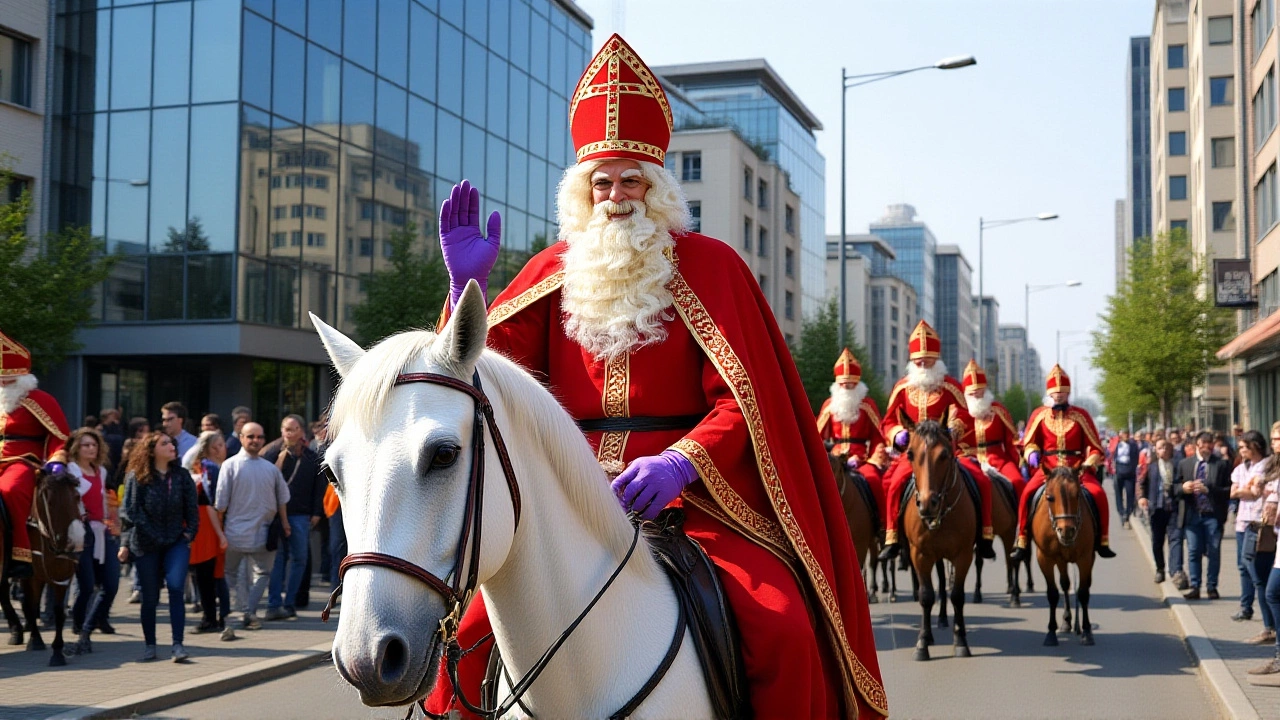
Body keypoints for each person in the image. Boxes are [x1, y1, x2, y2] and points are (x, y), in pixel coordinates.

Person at [424, 34, 885, 720]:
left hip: (690, 503)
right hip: (565, 494)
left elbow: (742, 404)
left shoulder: (712, 267)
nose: (615, 197)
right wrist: (466, 291)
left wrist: (678, 463)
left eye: (630, 179)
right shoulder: (552, 270)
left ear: (657, 185)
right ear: (583, 193)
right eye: (600, 183)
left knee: (782, 626)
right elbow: (477, 374)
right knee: (462, 643)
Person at [877, 326, 993, 563]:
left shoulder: (950, 386)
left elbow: (964, 414)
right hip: (916, 454)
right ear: (912, 360)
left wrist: (953, 429)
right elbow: (888, 420)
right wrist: (898, 434)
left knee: (981, 480)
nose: (923, 364)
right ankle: (892, 538)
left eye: (928, 360)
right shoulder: (901, 388)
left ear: (936, 359)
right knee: (893, 483)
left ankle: (984, 537)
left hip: (946, 452)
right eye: (919, 361)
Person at [1011, 365, 1115, 561]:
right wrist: (1032, 453)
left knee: (1099, 494)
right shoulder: (1039, 415)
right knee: (1026, 494)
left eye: (1062, 392)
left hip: (1076, 469)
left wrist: (1089, 464)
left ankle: (1103, 540)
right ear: (1049, 393)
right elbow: (1030, 442)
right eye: (1055, 392)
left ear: (1068, 393)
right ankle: (1022, 539)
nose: (1058, 395)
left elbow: (1095, 447)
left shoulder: (1081, 415)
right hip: (1048, 469)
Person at [118, 432, 199, 662]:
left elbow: (192, 510)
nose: (171, 446)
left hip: (175, 541)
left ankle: (178, 645)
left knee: (175, 587)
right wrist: (148, 536)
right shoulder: (137, 476)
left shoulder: (182, 476)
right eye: (164, 444)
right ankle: (150, 645)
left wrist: (189, 533)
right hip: (146, 543)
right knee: (150, 596)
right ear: (151, 450)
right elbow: (131, 512)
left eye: (171, 443)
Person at [0, 330, 71, 580]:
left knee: (10, 491)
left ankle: (19, 554)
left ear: (22, 377)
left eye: (6, 380)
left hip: (22, 460)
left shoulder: (41, 400)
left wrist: (56, 459)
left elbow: (59, 436)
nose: (1, 385)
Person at [215, 422, 289, 631]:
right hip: (242, 535)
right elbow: (220, 505)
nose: (255, 440)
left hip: (249, 534)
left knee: (235, 574)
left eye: (259, 437)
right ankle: (245, 612)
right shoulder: (234, 466)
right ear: (241, 438)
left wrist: (284, 523)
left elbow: (220, 504)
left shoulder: (235, 466)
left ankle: (235, 613)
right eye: (251, 437)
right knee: (257, 574)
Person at [262, 414, 324, 621]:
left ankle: (290, 602)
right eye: (285, 428)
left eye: (293, 428)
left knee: (300, 559)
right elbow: (268, 481)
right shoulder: (271, 453)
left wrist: (317, 512)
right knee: (278, 559)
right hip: (277, 516)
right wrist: (281, 458)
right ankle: (274, 604)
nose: (289, 433)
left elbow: (319, 487)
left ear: (301, 432)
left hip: (301, 515)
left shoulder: (310, 457)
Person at [66, 427, 121, 653]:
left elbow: (103, 501)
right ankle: (80, 625)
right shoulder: (69, 470)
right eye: (85, 445)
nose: (90, 448)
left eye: (94, 445)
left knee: (110, 584)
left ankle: (90, 624)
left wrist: (111, 521)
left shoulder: (101, 471)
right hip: (81, 532)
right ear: (76, 448)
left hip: (102, 531)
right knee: (87, 585)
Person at [815, 348, 886, 512]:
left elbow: (878, 436)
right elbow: (816, 437)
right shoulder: (829, 406)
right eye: (843, 384)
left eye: (851, 384)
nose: (847, 387)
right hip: (834, 459)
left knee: (874, 480)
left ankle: (881, 525)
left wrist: (873, 458)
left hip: (862, 457)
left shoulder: (868, 405)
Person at [1173, 431, 1232, 600]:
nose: (1206, 447)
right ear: (1196, 445)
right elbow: (1174, 488)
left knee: (1213, 551)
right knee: (1193, 551)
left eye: (1210, 444)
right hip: (1192, 515)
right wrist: (1183, 488)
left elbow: (1229, 491)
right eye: (1203, 444)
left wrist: (1210, 490)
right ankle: (1195, 586)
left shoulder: (1221, 464)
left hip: (1212, 515)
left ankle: (1212, 586)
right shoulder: (1185, 463)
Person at [187, 430, 234, 641]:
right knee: (208, 575)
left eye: (221, 445)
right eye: (214, 446)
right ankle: (215, 616)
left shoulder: (211, 469)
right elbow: (209, 504)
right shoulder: (206, 470)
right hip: (205, 527)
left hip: (209, 527)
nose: (219, 450)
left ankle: (214, 618)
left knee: (209, 575)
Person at [956, 360, 1025, 500]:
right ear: (966, 393)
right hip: (970, 461)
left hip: (998, 459)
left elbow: (1012, 440)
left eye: (979, 391)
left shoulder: (999, 411)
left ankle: (1022, 521)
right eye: (972, 392)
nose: (975, 394)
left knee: (1018, 482)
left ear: (984, 389)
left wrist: (1019, 459)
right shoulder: (959, 415)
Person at [1230, 429, 1273, 641]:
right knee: (1244, 567)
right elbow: (1234, 492)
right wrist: (1244, 490)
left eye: (1244, 447)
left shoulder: (1266, 465)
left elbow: (1255, 492)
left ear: (1255, 446)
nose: (1241, 451)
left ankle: (1269, 625)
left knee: (1258, 574)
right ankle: (1246, 606)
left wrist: (1245, 490)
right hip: (1242, 524)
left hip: (1259, 524)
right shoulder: (1240, 467)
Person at [1138, 439, 1182, 584]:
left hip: (1173, 509)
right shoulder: (1152, 467)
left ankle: (1175, 571)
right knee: (1157, 541)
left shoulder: (1177, 465)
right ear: (1156, 451)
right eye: (1159, 448)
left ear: (1170, 449)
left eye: (1165, 447)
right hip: (1156, 509)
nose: (1162, 450)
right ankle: (1160, 569)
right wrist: (1142, 497)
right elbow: (1142, 483)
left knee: (1175, 540)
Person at [1113, 429, 1140, 529]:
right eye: (1122, 434)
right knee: (1118, 493)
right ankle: (1121, 512)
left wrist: (1132, 469)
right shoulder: (1116, 444)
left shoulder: (1133, 445)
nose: (1123, 436)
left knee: (1130, 493)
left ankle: (1128, 513)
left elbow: (1136, 458)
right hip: (1119, 470)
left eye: (1125, 434)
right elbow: (1113, 456)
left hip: (1129, 471)